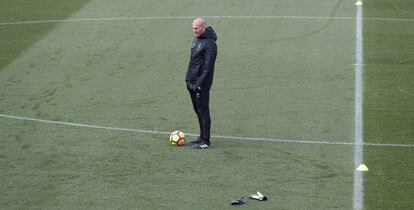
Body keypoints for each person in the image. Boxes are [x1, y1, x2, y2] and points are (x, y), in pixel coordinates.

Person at [185, 17, 217, 149]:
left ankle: (206, 141)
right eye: (193, 28)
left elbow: (207, 67)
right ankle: (201, 136)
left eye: (196, 28)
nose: (194, 30)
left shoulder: (210, 44)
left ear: (203, 27)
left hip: (201, 84)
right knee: (197, 109)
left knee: (203, 110)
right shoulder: (196, 40)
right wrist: (188, 78)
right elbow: (193, 61)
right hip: (191, 81)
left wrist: (199, 83)